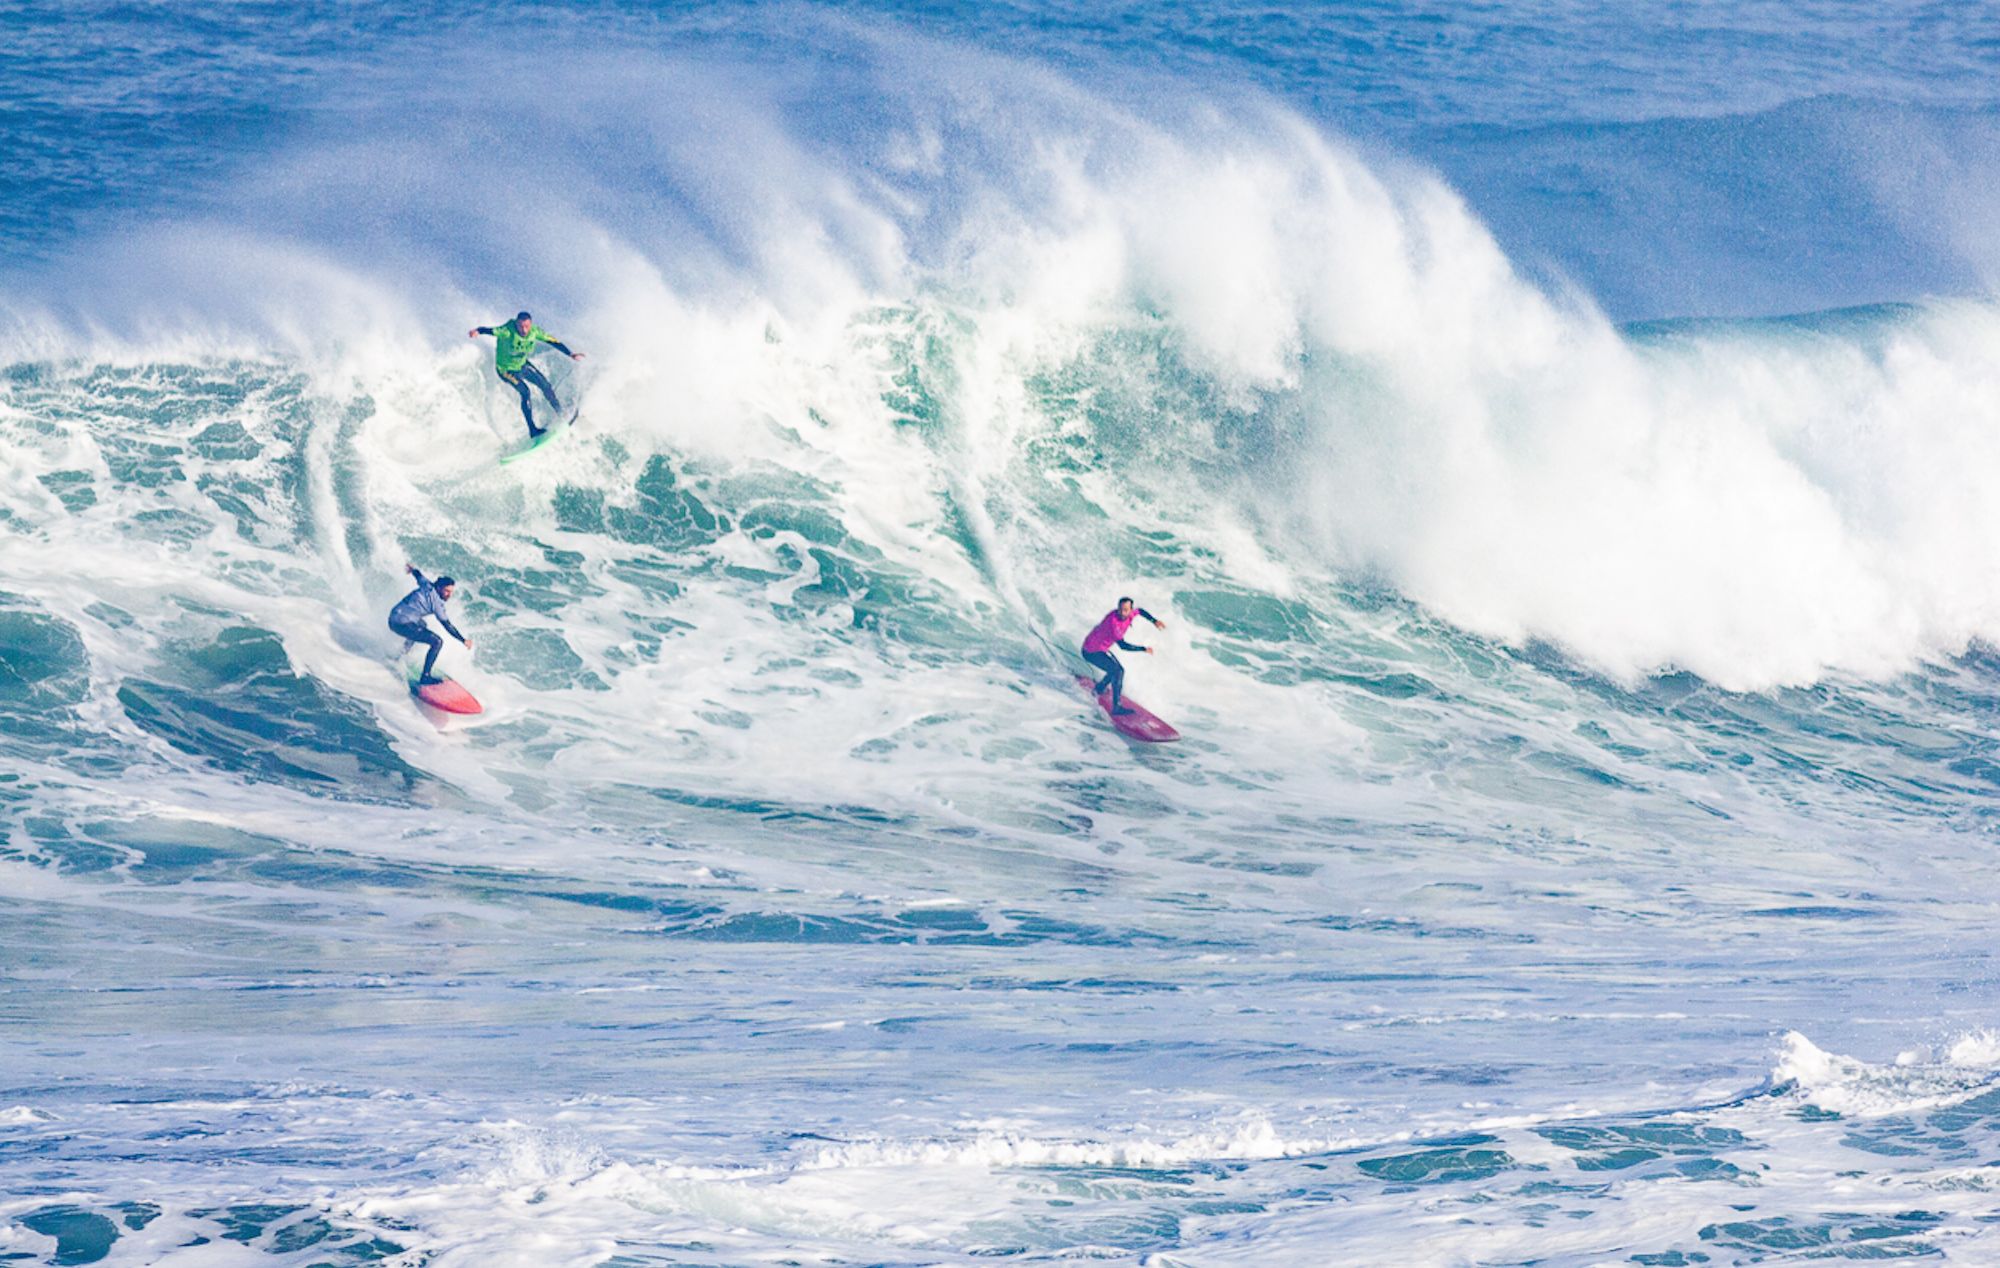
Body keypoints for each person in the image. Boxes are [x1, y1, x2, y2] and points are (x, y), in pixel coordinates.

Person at [468, 311, 584, 437]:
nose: (523, 330)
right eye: (520, 326)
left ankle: (561, 414)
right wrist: (477, 331)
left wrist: (570, 353)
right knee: (525, 392)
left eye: (526, 326)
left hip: (522, 365)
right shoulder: (507, 331)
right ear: (516, 324)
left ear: (531, 324)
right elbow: (489, 330)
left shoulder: (535, 332)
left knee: (546, 385)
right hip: (506, 370)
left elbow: (553, 341)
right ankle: (532, 430)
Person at [389, 563, 472, 686]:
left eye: (451, 592)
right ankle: (425, 677)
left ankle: (402, 654)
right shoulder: (437, 603)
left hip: (393, 618)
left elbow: (419, 575)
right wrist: (463, 640)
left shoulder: (427, 585)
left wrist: (412, 570)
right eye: (447, 591)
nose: (449, 595)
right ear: (439, 588)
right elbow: (447, 625)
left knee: (421, 625)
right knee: (437, 642)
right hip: (401, 625)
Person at [1081, 597, 1166, 716]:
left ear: (1131, 610)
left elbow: (1140, 611)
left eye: (1126, 610)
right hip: (1091, 651)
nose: (1122, 613)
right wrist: (1143, 649)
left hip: (1100, 648)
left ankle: (1099, 689)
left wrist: (1154, 621)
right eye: (1120, 609)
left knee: (1115, 669)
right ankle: (1116, 708)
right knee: (1118, 671)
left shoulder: (1131, 614)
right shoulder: (1113, 623)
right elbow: (1123, 646)